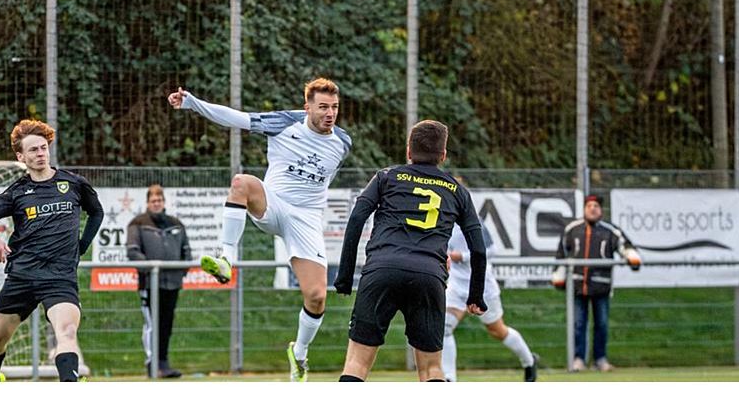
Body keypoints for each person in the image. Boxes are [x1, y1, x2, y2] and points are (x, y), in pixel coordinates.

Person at [168, 78, 352, 382]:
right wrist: (192, 103)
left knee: (317, 295)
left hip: (306, 218)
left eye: (334, 107)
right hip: (274, 202)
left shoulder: (343, 142)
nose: (330, 113)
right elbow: (234, 118)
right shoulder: (283, 123)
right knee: (241, 183)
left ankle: (300, 354)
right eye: (322, 107)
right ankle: (226, 259)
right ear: (307, 107)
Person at [334, 119, 487, 382]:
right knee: (431, 370)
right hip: (429, 276)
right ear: (443, 155)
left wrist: (345, 277)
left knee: (356, 364)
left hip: (382, 269)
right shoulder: (457, 190)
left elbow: (356, 219)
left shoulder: (386, 177)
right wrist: (476, 296)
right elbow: (479, 249)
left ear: (408, 151)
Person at [0, 119, 104, 382]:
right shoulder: (18, 192)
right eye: (33, 150)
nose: (40, 153)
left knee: (66, 332)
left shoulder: (73, 183)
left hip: (59, 277)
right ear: (21, 156)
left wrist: (82, 246)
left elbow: (96, 211)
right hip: (23, 275)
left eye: (43, 148)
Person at [553, 194, 641, 373]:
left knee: (601, 324)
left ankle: (600, 359)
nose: (592, 208)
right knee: (578, 324)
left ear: (601, 210)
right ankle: (578, 359)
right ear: (584, 209)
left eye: (596, 206)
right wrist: (559, 274)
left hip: (601, 286)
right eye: (589, 205)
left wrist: (631, 256)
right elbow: (561, 252)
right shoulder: (572, 229)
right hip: (578, 287)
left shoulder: (610, 231)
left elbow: (625, 246)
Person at [442, 222, 538, 382]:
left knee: (497, 330)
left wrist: (462, 256)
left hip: (481, 285)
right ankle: (449, 378)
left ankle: (529, 361)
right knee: (445, 327)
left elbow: (491, 250)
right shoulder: (441, 220)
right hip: (457, 287)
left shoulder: (473, 221)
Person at [126, 184, 192, 379]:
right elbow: (133, 251)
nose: (156, 203)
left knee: (166, 324)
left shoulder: (176, 223)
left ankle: (163, 363)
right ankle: (152, 364)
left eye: (159, 200)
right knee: (152, 324)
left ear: (164, 202)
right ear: (147, 202)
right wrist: (151, 269)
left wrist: (182, 270)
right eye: (153, 200)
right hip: (149, 284)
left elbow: (186, 251)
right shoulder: (137, 223)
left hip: (172, 283)